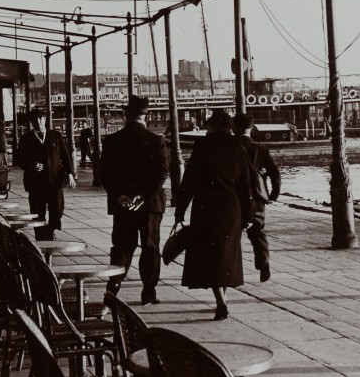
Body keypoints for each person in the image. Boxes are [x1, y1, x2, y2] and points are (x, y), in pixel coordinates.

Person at [174, 109, 251, 320]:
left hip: (206, 207)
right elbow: (245, 186)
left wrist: (180, 210)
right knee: (225, 255)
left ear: (213, 126)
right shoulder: (239, 148)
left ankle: (221, 302)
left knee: (211, 256)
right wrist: (247, 216)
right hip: (231, 208)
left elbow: (189, 182)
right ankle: (222, 299)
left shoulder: (203, 147)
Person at [100, 95, 169, 306]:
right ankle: (148, 293)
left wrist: (120, 194)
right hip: (150, 205)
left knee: (122, 246)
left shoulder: (111, 140)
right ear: (145, 115)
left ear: (125, 115)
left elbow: (105, 173)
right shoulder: (156, 140)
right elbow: (162, 173)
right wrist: (144, 196)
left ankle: (113, 288)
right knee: (150, 247)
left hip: (123, 205)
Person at [233, 112, 281, 282]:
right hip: (257, 198)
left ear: (234, 127)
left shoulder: (230, 147)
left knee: (233, 234)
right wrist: (274, 194)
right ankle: (264, 261)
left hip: (235, 198)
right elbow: (275, 173)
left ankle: (233, 270)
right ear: (251, 128)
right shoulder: (260, 149)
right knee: (257, 231)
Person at [13, 108, 75, 241]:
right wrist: (32, 165)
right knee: (37, 212)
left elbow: (65, 156)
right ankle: (42, 239)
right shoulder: (26, 139)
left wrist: (70, 174)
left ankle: (51, 229)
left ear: (45, 120)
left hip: (54, 181)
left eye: (41, 119)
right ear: (31, 122)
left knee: (57, 209)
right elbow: (18, 159)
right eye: (35, 120)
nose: (38, 122)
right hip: (35, 183)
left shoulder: (55, 136)